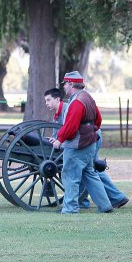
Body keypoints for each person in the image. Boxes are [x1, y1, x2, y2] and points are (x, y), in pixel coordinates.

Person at [44, 88, 129, 209]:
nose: (46, 103)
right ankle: (114, 198)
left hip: (88, 138)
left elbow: (71, 127)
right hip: (84, 137)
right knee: (89, 170)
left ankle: (86, 202)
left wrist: (60, 140)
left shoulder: (69, 107)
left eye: (48, 100)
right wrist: (55, 139)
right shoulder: (57, 114)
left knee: (89, 168)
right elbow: (58, 131)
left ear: (57, 99)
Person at [51, 71, 113, 214]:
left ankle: (70, 208)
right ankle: (105, 205)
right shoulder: (88, 97)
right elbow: (98, 120)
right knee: (90, 174)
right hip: (90, 143)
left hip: (77, 145)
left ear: (71, 84)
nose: (64, 87)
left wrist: (59, 139)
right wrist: (91, 130)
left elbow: (71, 126)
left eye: (65, 84)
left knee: (70, 176)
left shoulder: (77, 101)